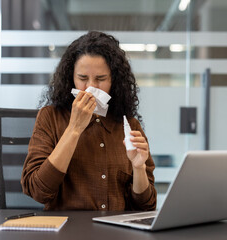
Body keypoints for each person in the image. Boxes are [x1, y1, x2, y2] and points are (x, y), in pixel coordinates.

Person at [21, 31, 157, 211]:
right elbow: (38, 191)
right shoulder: (50, 117)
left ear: (113, 81)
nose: (91, 87)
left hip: (115, 230)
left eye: (101, 79)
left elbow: (146, 205)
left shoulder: (129, 125)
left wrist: (139, 168)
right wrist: (74, 129)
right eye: (82, 78)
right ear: (71, 78)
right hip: (68, 229)